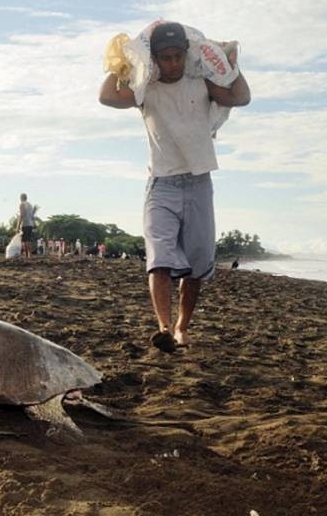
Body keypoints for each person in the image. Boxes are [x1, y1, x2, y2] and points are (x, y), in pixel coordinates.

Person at [99, 21, 250, 353]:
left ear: (186, 54)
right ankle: (164, 327)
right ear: (154, 58)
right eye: (164, 58)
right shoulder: (146, 89)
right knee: (160, 259)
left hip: (198, 183)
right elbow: (107, 96)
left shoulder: (202, 83)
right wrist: (122, 65)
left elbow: (241, 96)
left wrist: (231, 64)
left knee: (196, 265)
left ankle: (182, 327)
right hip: (161, 185)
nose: (172, 64)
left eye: (177, 57)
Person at [17, 193, 35, 259]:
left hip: (25, 224)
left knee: (25, 240)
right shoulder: (30, 205)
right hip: (30, 224)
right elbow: (32, 216)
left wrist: (18, 226)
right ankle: (29, 255)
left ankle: (27, 255)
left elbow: (22, 215)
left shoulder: (22, 204)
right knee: (28, 240)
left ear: (21, 198)